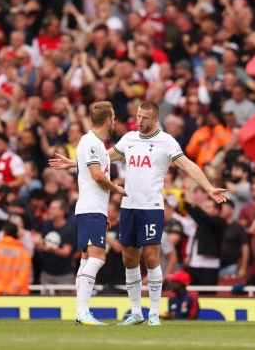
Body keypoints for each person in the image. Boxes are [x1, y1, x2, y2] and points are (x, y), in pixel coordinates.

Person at [51, 100, 227, 326]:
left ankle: (154, 311)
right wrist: (73, 163)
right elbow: (103, 159)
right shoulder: (129, 139)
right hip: (128, 207)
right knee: (129, 261)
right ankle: (136, 312)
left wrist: (209, 187)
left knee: (152, 258)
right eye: (138, 116)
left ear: (155, 120)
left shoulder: (166, 142)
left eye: (144, 118)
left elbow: (188, 165)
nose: (139, 121)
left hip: (151, 207)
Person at [73, 101, 127, 325]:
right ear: (108, 120)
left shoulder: (92, 143)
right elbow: (96, 175)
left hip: (92, 209)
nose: (114, 122)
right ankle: (83, 312)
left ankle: (81, 312)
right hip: (90, 209)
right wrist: (117, 189)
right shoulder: (92, 143)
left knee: (87, 260)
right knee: (97, 258)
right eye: (113, 118)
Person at [0, 221, 32, 295]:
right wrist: (10, 289)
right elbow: (24, 276)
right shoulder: (23, 252)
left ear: (4, 232)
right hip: (19, 297)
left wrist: (0, 289)